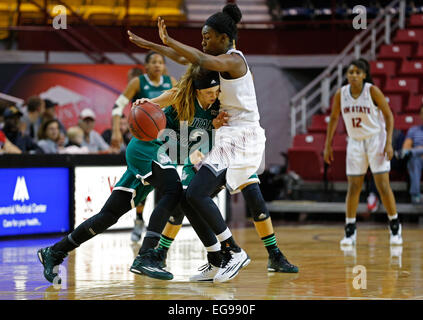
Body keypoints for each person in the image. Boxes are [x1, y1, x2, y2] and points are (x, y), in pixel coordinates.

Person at [128, 30, 298, 277]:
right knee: (185, 201)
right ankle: (177, 254)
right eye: (203, 39)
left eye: (208, 38)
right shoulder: (193, 85)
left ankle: (274, 254)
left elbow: (191, 57)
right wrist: (151, 48)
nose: (215, 95)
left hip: (234, 145)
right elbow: (183, 60)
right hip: (199, 152)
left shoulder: (226, 72)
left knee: (255, 199)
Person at [36, 67, 224, 285]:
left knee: (109, 215)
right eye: (210, 90)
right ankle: (147, 255)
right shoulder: (182, 95)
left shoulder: (218, 109)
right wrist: (145, 102)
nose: (214, 94)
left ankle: (54, 252)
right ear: (198, 88)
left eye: (217, 91)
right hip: (147, 147)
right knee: (174, 190)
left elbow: (193, 145)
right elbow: (155, 104)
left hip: (162, 155)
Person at [323, 59, 402, 246]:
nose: (354, 75)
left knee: (383, 186)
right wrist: (328, 145)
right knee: (353, 188)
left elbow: (389, 116)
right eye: (351, 72)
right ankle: (350, 230)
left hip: (376, 139)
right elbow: (334, 119)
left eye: (358, 72)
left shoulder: (372, 91)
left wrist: (389, 142)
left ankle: (395, 225)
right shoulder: (340, 94)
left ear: (364, 75)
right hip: (355, 142)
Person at [110, 52, 177, 243]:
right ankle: (139, 219)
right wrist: (116, 130)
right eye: (153, 62)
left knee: (166, 184)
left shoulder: (170, 81)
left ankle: (157, 227)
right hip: (144, 141)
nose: (158, 65)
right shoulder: (138, 83)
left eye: (161, 62)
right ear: (146, 66)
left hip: (165, 138)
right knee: (143, 185)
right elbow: (117, 107)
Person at [400, 104, 423, 204]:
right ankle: (415, 195)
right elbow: (405, 150)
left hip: (416, 153)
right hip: (418, 159)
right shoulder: (413, 130)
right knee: (414, 160)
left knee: (413, 154)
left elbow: (410, 150)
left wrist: (416, 150)